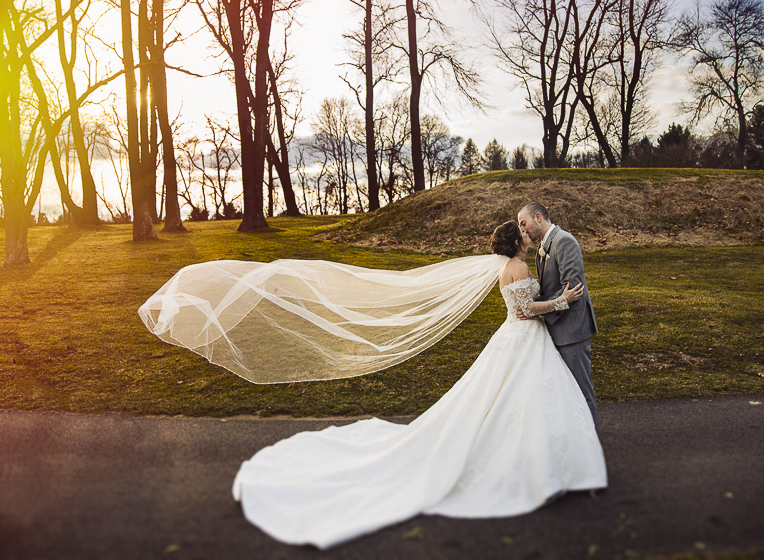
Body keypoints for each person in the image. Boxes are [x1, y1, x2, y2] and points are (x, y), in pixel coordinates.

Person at [228, 221, 607, 549]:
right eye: (522, 233)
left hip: (515, 338)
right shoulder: (519, 268)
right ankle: (539, 462)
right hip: (524, 336)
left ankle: (540, 456)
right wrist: (561, 301)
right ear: (516, 242)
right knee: (523, 397)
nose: (526, 235)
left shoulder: (505, 267)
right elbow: (525, 310)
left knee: (509, 398)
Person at [517, 202, 599, 427]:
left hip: (572, 330)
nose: (522, 230)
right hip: (558, 330)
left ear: (538, 217)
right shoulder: (543, 247)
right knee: (568, 394)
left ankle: (590, 448)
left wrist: (538, 309)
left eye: (524, 224)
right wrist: (529, 306)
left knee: (581, 392)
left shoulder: (564, 241)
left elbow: (573, 288)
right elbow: (548, 289)